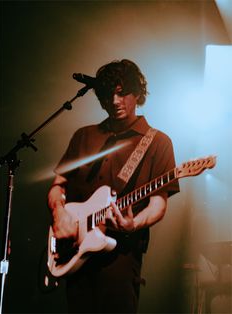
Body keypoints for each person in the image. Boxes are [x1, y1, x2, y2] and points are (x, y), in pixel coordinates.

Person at [47, 59, 180, 313]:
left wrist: (135, 224)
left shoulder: (158, 142)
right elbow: (58, 185)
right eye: (108, 95)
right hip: (74, 252)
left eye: (122, 93)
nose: (115, 101)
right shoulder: (84, 136)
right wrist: (59, 213)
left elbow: (158, 203)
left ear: (138, 93)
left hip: (120, 257)